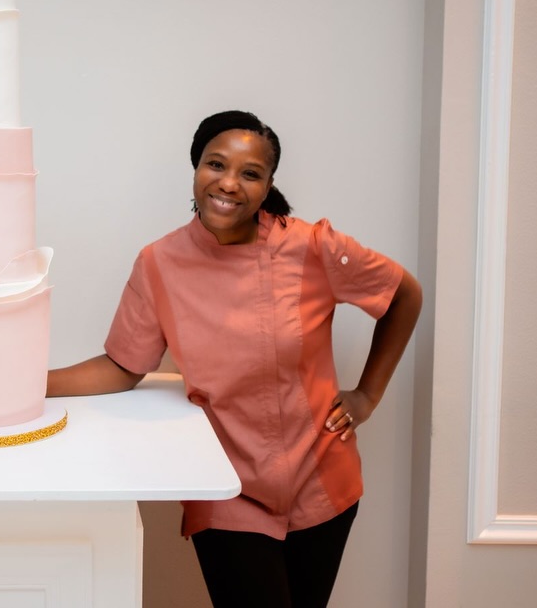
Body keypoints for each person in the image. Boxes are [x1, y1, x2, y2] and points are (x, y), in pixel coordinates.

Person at [47, 110, 422, 608]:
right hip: (225, 485)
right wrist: (26, 383)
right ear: (195, 168)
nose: (229, 184)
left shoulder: (312, 247)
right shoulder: (159, 263)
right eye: (215, 165)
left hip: (321, 479)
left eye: (250, 174)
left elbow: (403, 295)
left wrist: (368, 394)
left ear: (268, 185)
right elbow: (122, 365)